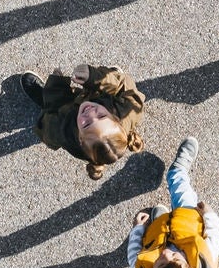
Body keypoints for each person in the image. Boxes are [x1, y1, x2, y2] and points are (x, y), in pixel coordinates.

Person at [127, 137, 219, 268]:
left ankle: (160, 219)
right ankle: (177, 170)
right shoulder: (205, 256)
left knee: (157, 224)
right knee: (180, 188)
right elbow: (216, 234)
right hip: (188, 219)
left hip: (158, 235)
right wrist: (208, 214)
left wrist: (138, 229)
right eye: (176, 259)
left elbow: (133, 253)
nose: (166, 254)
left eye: (161, 264)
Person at [13, 64, 146, 181]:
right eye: (101, 116)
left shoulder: (64, 133)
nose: (90, 112)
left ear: (80, 139)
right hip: (99, 95)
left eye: (86, 124)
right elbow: (128, 88)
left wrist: (55, 86)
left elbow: (45, 129)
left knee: (53, 107)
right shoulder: (128, 112)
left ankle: (44, 98)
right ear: (115, 119)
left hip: (69, 108)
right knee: (112, 81)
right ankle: (107, 78)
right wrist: (95, 78)